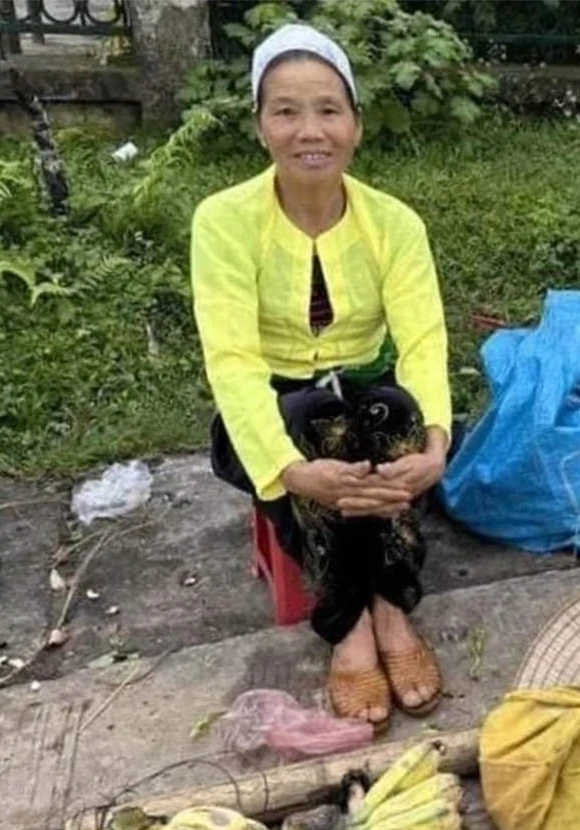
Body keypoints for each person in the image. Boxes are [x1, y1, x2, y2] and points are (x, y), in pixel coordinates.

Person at [191, 23, 452, 736]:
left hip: (365, 394)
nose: (311, 131)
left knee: (391, 413)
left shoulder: (394, 223)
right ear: (259, 126)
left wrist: (433, 444)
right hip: (273, 412)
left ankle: (392, 607)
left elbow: (423, 337)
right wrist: (289, 469)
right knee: (309, 422)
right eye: (286, 110)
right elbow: (233, 362)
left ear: (356, 125)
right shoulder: (221, 222)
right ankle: (349, 628)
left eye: (329, 110)